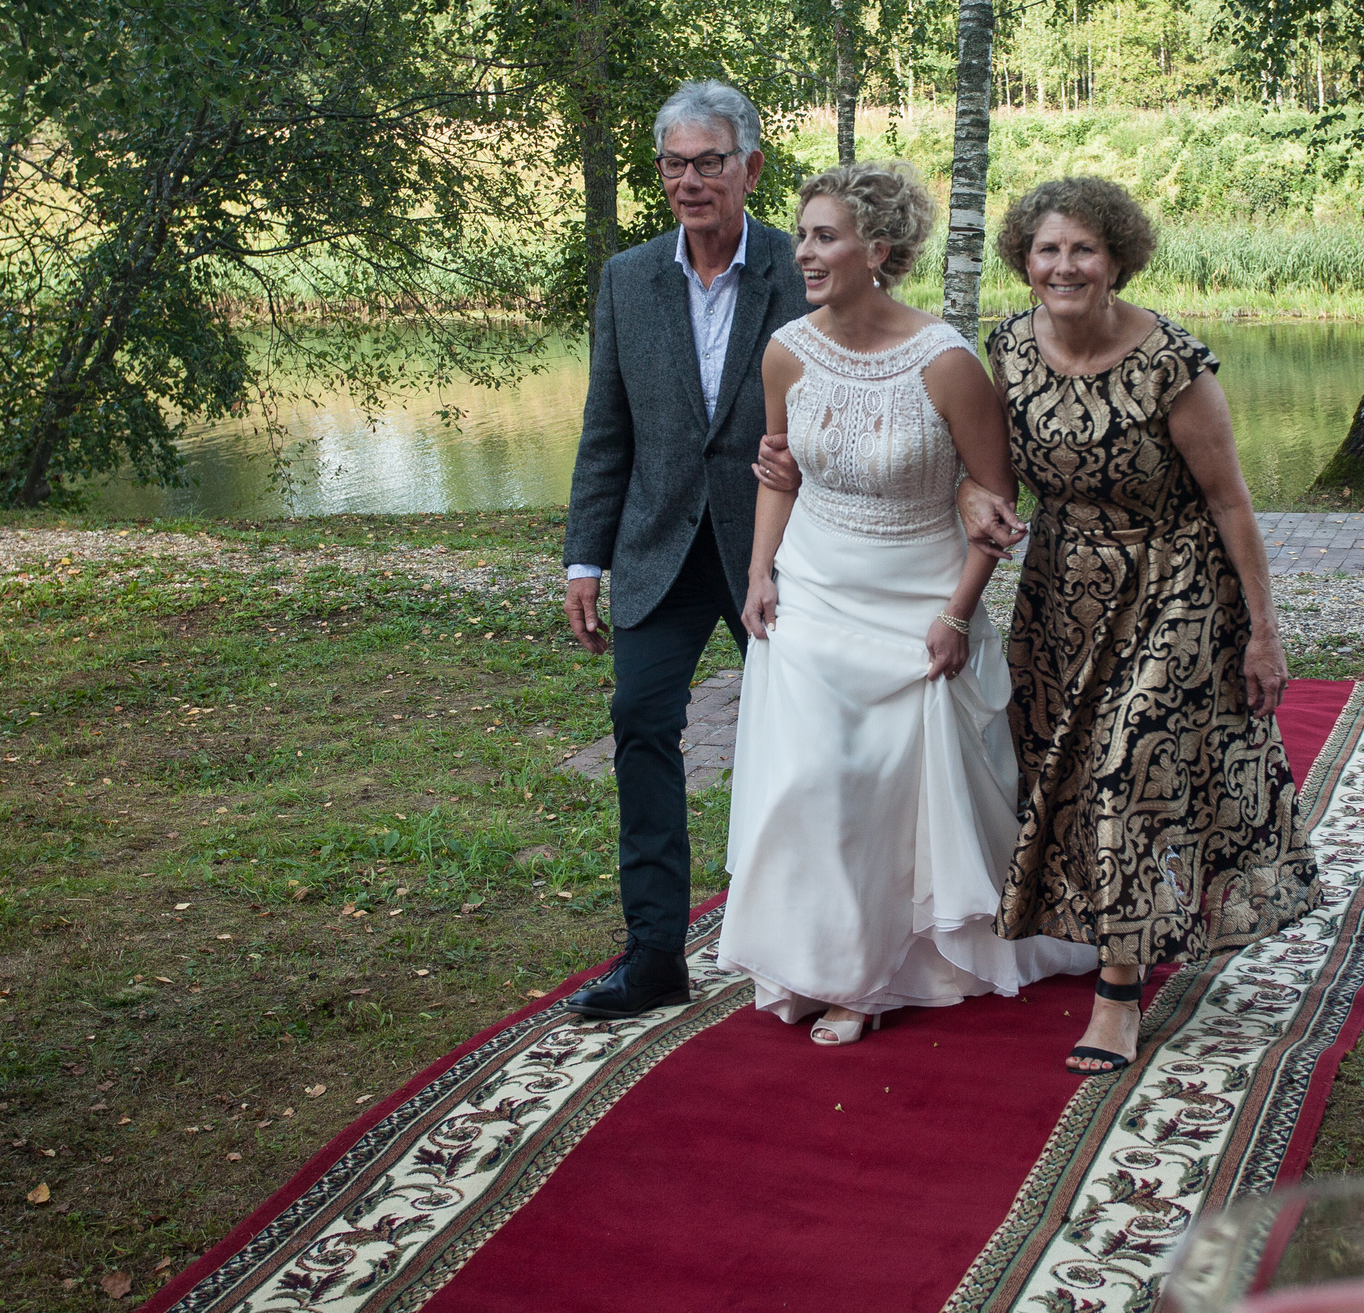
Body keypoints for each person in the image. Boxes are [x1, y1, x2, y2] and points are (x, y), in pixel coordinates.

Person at [717, 165, 1094, 1043]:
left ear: (877, 250)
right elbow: (781, 470)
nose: (803, 251)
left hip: (916, 594)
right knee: (812, 782)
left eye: (824, 236)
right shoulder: (786, 350)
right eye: (804, 234)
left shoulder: (945, 360)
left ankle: (872, 975)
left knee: (881, 787)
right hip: (811, 585)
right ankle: (820, 953)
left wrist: (959, 613)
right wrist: (759, 570)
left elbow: (994, 506)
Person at [984, 176, 1319, 1075]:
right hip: (1061, 584)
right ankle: (1095, 924)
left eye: (1083, 249)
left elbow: (1232, 502)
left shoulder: (1172, 362)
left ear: (1117, 259)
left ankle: (1118, 993)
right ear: (1024, 259)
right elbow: (987, 474)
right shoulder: (1006, 348)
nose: (1064, 266)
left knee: (1129, 764)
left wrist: (1263, 630)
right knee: (1065, 767)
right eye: (1048, 249)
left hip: (1176, 575)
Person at [561, 81, 812, 1020]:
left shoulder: (802, 269)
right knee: (638, 722)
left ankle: (811, 942)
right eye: (675, 162)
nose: (691, 180)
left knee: (803, 742)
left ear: (750, 167)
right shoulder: (628, 279)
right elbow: (606, 429)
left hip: (777, 550)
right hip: (660, 544)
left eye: (711, 161)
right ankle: (656, 952)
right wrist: (585, 557)